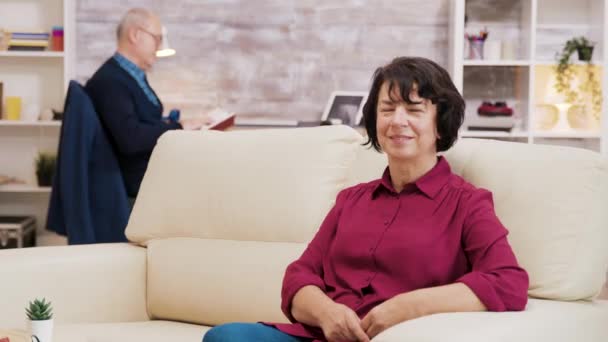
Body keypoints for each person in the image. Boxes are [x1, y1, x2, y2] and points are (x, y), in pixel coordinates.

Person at [202, 57, 529, 342]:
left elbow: (507, 281)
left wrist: (405, 307)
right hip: (321, 336)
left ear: (440, 123)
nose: (397, 120)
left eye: (414, 109)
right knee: (224, 336)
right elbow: (299, 277)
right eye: (387, 109)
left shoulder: (467, 203)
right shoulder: (351, 200)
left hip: (399, 338)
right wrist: (327, 313)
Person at [86, 8, 209, 198]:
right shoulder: (110, 81)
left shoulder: (128, 76)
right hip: (137, 185)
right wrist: (179, 127)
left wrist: (176, 125)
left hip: (149, 175)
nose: (159, 47)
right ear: (135, 35)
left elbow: (142, 122)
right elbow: (131, 138)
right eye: (157, 39)